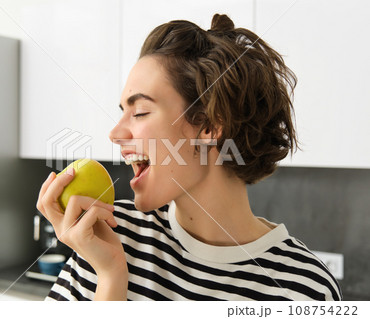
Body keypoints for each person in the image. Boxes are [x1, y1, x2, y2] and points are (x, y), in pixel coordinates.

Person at [36, 14, 342, 301]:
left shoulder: (304, 287)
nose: (115, 134)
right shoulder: (107, 236)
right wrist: (110, 276)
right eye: (123, 113)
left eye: (140, 111)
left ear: (209, 125)